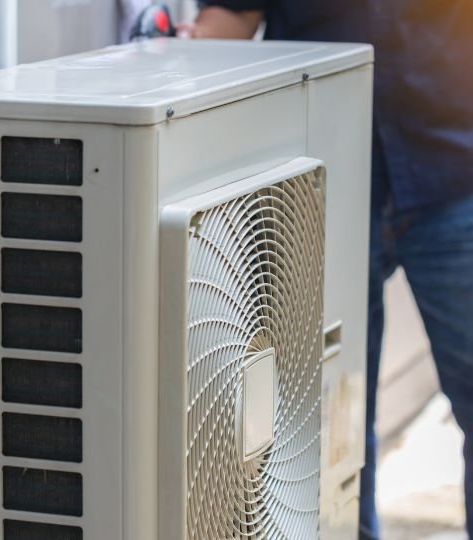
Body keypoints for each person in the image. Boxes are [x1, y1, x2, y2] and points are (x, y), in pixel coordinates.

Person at [178, 3, 473, 539]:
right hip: (319, 183)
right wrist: (179, 51)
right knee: (327, 417)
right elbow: (232, 18)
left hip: (455, 171)